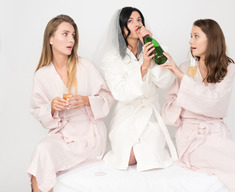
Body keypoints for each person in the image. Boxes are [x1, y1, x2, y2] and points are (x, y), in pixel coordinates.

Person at [161, 19, 235, 192]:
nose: (190, 41)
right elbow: (168, 110)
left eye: (196, 36)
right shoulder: (185, 68)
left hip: (216, 134)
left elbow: (215, 103)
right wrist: (186, 87)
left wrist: (188, 93)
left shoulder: (228, 68)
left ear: (211, 39)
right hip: (191, 139)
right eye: (190, 36)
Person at [27, 14, 113, 192]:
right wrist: (51, 107)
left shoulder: (85, 66)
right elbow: (37, 110)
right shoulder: (42, 75)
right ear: (51, 39)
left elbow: (107, 97)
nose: (71, 40)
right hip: (63, 135)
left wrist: (85, 100)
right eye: (65, 34)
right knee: (41, 153)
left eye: (73, 35)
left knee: (42, 163)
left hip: (90, 135)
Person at [98, 7, 178, 171]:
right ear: (122, 27)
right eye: (130, 21)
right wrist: (143, 67)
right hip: (126, 113)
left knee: (148, 155)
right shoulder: (111, 57)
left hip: (150, 114)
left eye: (139, 20)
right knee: (127, 158)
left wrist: (154, 54)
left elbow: (165, 82)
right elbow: (120, 92)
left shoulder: (154, 48)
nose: (136, 25)